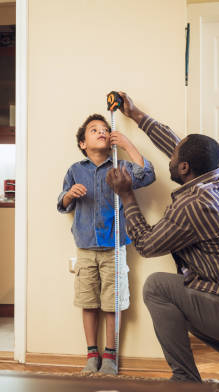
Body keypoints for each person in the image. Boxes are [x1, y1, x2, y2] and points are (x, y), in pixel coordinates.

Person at [106, 92, 219, 385]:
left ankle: (185, 380)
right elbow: (179, 146)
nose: (171, 155)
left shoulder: (196, 205)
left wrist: (127, 195)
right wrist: (136, 114)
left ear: (183, 168)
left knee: (157, 288)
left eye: (176, 156)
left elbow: (145, 245)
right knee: (184, 292)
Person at [58, 113, 155, 375]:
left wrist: (127, 145)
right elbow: (61, 203)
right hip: (86, 248)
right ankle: (92, 354)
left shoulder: (120, 167)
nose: (101, 132)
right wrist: (69, 195)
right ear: (82, 143)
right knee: (88, 302)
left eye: (104, 129)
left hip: (115, 247)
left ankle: (110, 356)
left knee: (111, 303)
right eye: (93, 130)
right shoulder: (75, 171)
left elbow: (147, 175)